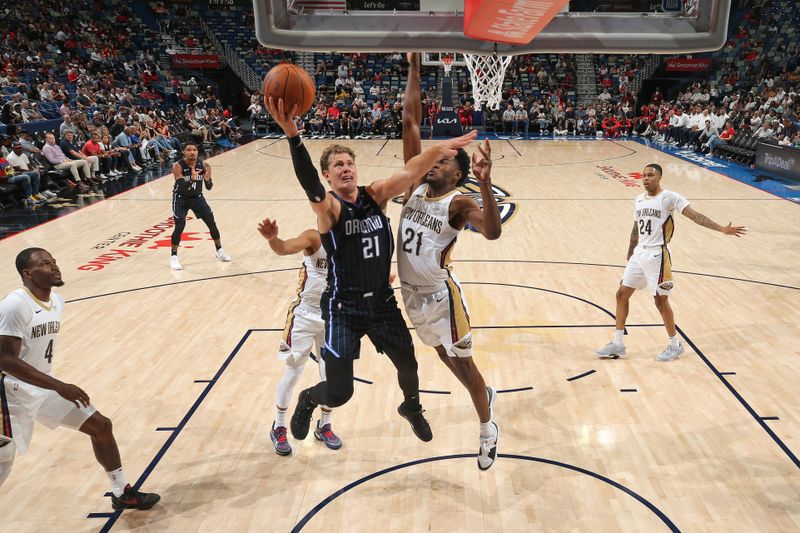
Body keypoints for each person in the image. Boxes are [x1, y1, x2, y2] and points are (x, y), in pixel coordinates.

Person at [264, 95, 478, 445]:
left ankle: (411, 407)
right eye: (338, 166)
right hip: (343, 308)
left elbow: (411, 171)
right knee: (339, 392)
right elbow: (311, 188)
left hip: (380, 301)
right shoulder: (329, 210)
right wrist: (293, 136)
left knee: (409, 365)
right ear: (328, 175)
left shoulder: (375, 195)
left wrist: (439, 149)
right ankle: (308, 400)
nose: (346, 168)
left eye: (349, 162)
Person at [399, 53, 501, 470]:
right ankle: (482, 397)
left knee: (464, 365)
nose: (432, 162)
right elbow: (410, 124)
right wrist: (414, 70)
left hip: (441, 297)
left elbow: (492, 232)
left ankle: (488, 428)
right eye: (432, 159)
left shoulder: (459, 201)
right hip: (410, 296)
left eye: (441, 161)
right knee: (443, 356)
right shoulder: (413, 186)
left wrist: (486, 183)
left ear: (456, 174)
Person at [0, 248, 160, 510]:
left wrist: (53, 385)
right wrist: (59, 386)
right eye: (45, 263)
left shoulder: (57, 301)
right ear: (27, 273)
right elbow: (5, 360)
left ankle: (122, 493)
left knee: (100, 426)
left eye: (54, 261)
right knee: (2, 466)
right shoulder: (14, 304)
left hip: (40, 386)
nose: (54, 266)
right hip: (8, 394)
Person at [595, 164, 746, 362]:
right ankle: (618, 343)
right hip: (640, 253)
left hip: (658, 255)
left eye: (650, 175)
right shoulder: (638, 199)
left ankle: (675, 345)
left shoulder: (670, 198)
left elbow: (696, 216)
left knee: (660, 301)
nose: (646, 179)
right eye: (644, 175)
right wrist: (631, 250)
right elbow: (636, 227)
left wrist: (720, 229)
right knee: (621, 294)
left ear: (659, 177)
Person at [257, 218, 341, 455]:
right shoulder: (313, 237)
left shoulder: (347, 244)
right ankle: (279, 426)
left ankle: (324, 425)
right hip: (304, 316)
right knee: (293, 373)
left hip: (333, 317)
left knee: (331, 376)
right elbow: (284, 248)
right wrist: (273, 239)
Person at [169, 142, 231, 270]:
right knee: (180, 226)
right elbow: (181, 184)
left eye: (194, 149)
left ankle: (219, 251)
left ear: (197, 151)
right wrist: (192, 178)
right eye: (189, 150)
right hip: (181, 198)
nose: (192, 152)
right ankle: (174, 257)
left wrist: (208, 179)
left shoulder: (204, 165)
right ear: (184, 152)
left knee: (211, 223)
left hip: (197, 198)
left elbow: (209, 187)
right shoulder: (177, 166)